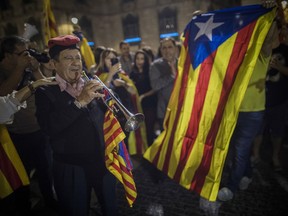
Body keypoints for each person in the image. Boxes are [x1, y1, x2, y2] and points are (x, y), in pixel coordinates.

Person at [35, 35, 118, 216]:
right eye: (68, 58)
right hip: (70, 167)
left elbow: (107, 118)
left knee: (111, 209)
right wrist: (79, 102)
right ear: (54, 64)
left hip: (102, 162)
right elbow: (49, 127)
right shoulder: (45, 91)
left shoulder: (92, 84)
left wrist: (113, 105)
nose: (75, 63)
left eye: (78, 58)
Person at [217, 7, 280, 201]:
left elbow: (269, 40)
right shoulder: (234, 56)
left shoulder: (261, 54)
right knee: (237, 148)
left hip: (253, 112)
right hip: (233, 111)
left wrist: (272, 15)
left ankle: (232, 187)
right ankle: (248, 175)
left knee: (240, 150)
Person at [0, 35, 57, 215]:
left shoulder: (27, 68)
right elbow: (3, 97)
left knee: (46, 173)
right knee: (21, 180)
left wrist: (36, 70)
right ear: (8, 55)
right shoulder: (4, 71)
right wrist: (19, 68)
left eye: (28, 52)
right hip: (14, 137)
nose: (27, 57)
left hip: (39, 131)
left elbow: (45, 87)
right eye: (21, 53)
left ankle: (51, 204)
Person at [95, 47, 148, 155]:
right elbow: (101, 92)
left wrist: (124, 83)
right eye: (108, 58)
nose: (111, 61)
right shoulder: (100, 75)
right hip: (111, 115)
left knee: (126, 142)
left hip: (125, 113)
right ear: (103, 60)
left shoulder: (122, 74)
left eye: (114, 58)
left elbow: (133, 91)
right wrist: (111, 75)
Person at [252, 27, 288, 172]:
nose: (270, 34)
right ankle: (255, 157)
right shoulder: (258, 50)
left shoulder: (285, 50)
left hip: (279, 101)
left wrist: (279, 66)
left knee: (278, 132)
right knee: (257, 131)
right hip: (260, 100)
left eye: (273, 30)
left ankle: (275, 157)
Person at [149, 37, 178, 131]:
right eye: (164, 48)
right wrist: (171, 76)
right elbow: (155, 85)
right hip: (165, 112)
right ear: (161, 50)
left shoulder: (183, 63)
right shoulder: (155, 66)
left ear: (175, 48)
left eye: (170, 47)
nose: (167, 50)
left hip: (183, 109)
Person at [130, 50, 157, 146]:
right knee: (142, 129)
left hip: (150, 103)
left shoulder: (150, 71)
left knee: (149, 129)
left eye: (142, 59)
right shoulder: (132, 73)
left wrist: (143, 96)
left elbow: (155, 88)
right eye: (137, 58)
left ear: (145, 60)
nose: (139, 61)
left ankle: (150, 152)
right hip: (138, 105)